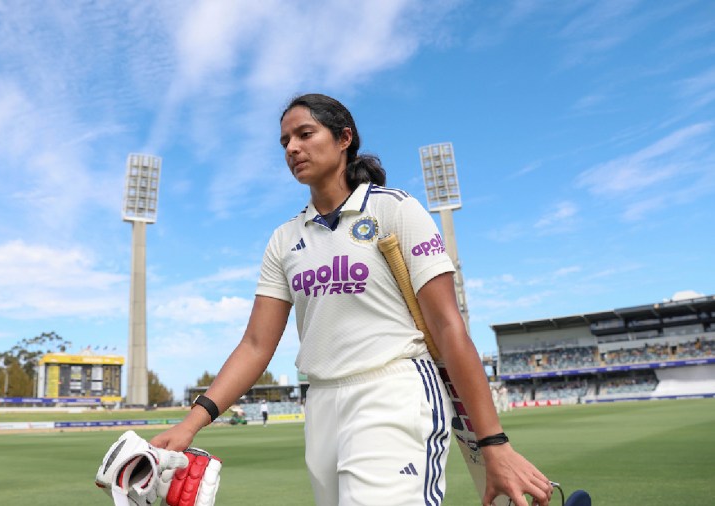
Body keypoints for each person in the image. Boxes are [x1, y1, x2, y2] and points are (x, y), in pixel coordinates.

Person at [150, 93, 552, 506]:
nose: (292, 148)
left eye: (305, 134)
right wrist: (191, 423)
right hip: (321, 404)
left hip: (393, 391)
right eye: (285, 141)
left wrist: (493, 441)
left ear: (344, 139)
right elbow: (255, 345)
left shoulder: (395, 210)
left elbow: (449, 326)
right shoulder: (284, 239)